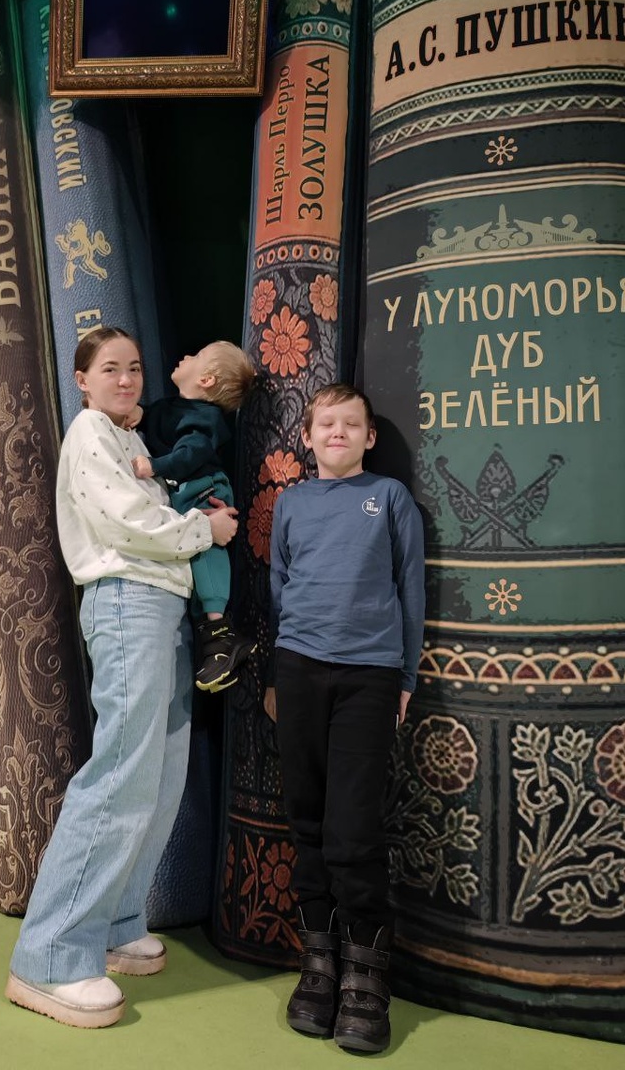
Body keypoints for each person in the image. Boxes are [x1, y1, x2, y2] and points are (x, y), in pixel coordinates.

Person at [5, 327, 238, 1030]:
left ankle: (115, 922)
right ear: (82, 379)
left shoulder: (131, 436)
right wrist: (203, 531)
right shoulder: (90, 434)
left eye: (134, 367)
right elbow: (127, 521)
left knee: (160, 772)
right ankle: (49, 957)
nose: (127, 379)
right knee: (120, 773)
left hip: (163, 602)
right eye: (111, 369)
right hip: (127, 599)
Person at [263, 383, 425, 1055]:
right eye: (326, 423)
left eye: (351, 423)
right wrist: (279, 672)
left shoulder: (389, 499)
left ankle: (365, 979)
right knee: (306, 817)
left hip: (370, 675)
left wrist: (405, 678)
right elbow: (279, 586)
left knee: (352, 829)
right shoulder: (292, 504)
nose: (338, 432)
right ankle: (320, 965)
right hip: (299, 668)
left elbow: (411, 589)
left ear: (369, 437)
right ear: (306, 437)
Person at [129, 341, 256, 691]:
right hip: (186, 494)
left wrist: (153, 465)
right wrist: (139, 415)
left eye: (196, 356)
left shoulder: (204, 417)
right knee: (195, 554)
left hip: (205, 489)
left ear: (206, 379)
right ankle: (214, 639)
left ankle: (220, 631)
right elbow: (157, 419)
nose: (185, 355)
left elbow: (190, 453)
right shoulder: (174, 407)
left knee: (206, 553)